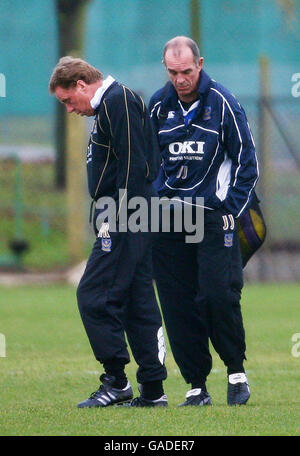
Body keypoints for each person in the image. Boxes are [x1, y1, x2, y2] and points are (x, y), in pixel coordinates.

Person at [49, 56, 167, 408]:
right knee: (137, 300)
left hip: (127, 216)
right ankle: (153, 390)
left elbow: (134, 163)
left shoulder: (119, 100)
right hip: (133, 216)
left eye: (69, 100)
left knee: (93, 293)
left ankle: (116, 381)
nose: (70, 109)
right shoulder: (109, 106)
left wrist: (119, 219)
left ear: (82, 84)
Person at [149, 36, 259, 406]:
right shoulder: (157, 107)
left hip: (213, 218)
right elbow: (149, 164)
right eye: (173, 72)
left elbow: (247, 161)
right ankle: (196, 385)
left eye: (186, 71)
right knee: (177, 304)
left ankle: (236, 371)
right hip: (168, 222)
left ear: (200, 64)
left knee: (216, 295)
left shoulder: (223, 103)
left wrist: (231, 209)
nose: (180, 79)